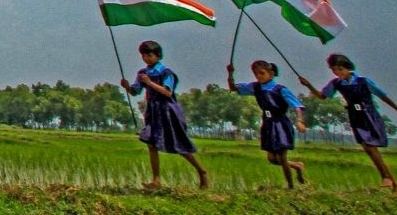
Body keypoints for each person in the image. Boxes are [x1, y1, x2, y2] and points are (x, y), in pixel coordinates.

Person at [299, 53, 397, 191]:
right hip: (355, 116)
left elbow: (383, 97)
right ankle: (393, 183)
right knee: (368, 148)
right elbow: (323, 96)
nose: (337, 73)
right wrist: (308, 85)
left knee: (370, 147)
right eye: (334, 70)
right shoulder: (336, 83)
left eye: (340, 69)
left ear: (348, 68)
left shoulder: (363, 81)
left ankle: (386, 177)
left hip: (369, 115)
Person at [120, 40, 209, 189]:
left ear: (158, 56)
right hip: (153, 112)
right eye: (143, 56)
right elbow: (135, 91)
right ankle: (156, 180)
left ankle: (202, 171)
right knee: (151, 144)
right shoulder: (143, 73)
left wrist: (149, 82)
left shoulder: (166, 73)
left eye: (149, 55)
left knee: (179, 145)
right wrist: (127, 86)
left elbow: (168, 92)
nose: (146, 58)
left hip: (168, 111)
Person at [226, 60, 306, 188]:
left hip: (280, 123)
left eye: (262, 73)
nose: (259, 76)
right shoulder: (255, 87)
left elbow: (297, 106)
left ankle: (290, 187)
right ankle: (297, 166)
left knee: (282, 156)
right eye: (256, 74)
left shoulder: (280, 89)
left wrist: (299, 120)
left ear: (271, 73)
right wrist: (230, 74)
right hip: (268, 123)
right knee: (272, 159)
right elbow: (233, 88)